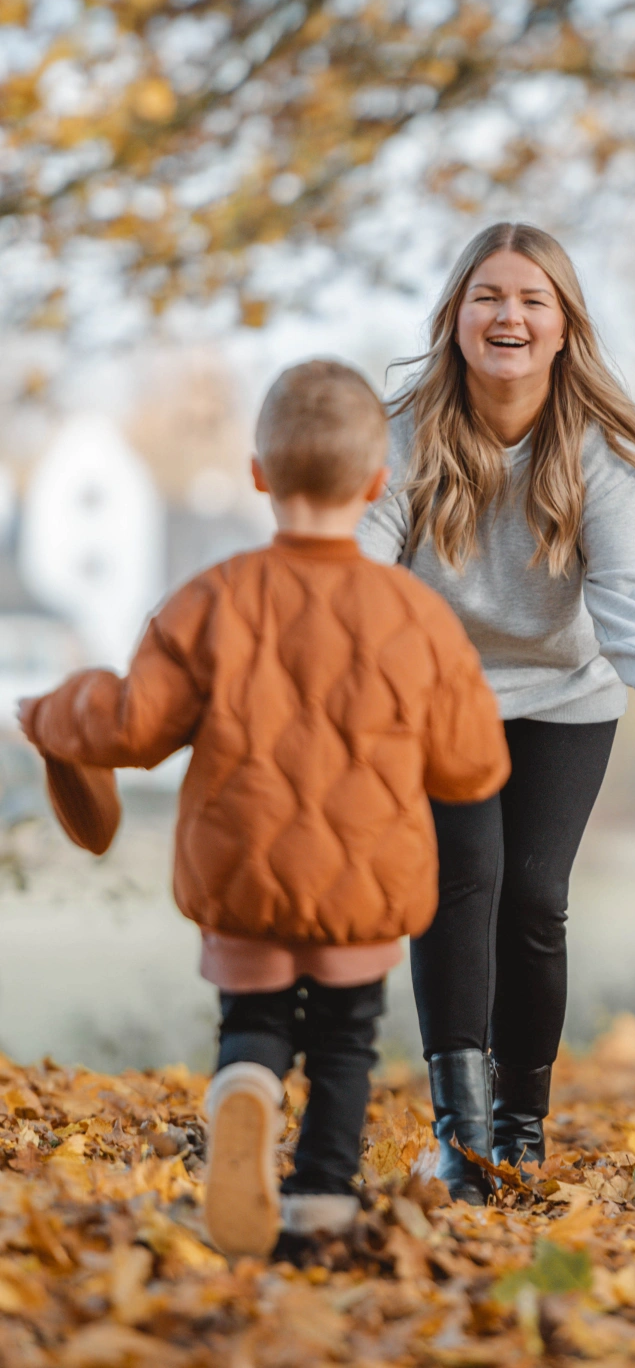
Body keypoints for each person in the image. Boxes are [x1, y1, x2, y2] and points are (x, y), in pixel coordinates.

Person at [18, 361, 510, 1255]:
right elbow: (473, 767)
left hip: (241, 868)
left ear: (257, 474)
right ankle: (320, 1195)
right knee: (345, 1043)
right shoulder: (415, 614)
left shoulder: (211, 599)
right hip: (361, 879)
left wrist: (54, 712)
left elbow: (131, 722)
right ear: (376, 483)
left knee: (253, 1020)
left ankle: (244, 1082)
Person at [359, 222, 635, 1203]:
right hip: (440, 702)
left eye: (532, 300)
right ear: (456, 318)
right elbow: (355, 565)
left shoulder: (597, 453)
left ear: (564, 326)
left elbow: (627, 593)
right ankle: (463, 1136)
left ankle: (518, 1129)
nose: (509, 316)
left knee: (532, 897)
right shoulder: (403, 435)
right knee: (462, 880)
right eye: (489, 296)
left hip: (565, 702)